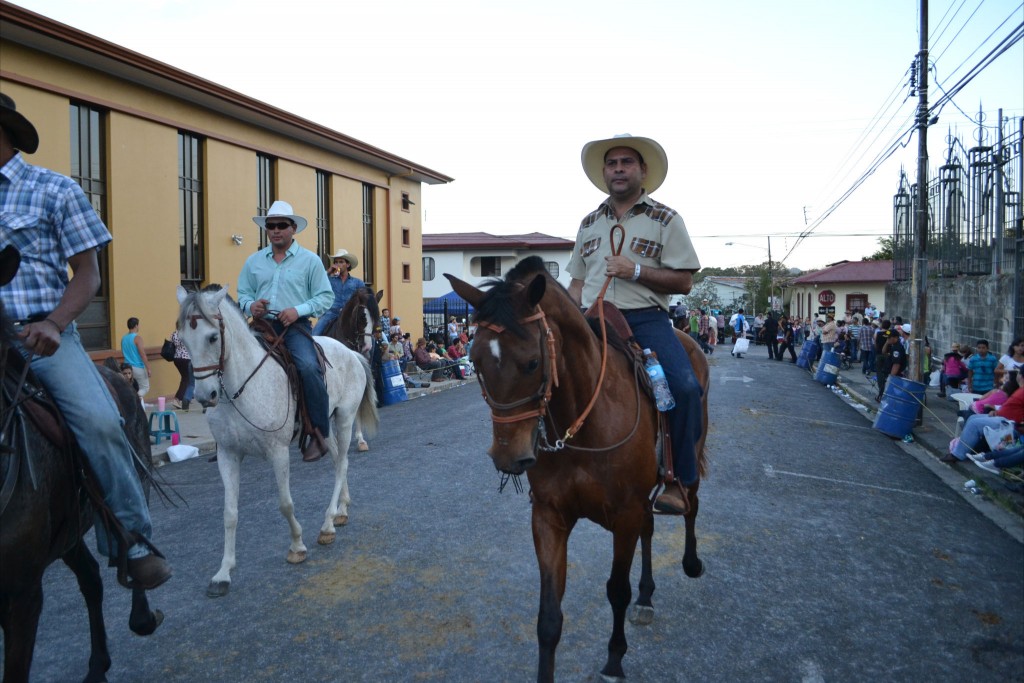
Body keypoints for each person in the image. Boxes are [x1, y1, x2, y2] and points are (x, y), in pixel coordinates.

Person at [0, 93, 171, 588]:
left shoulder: (54, 190)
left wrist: (54, 324)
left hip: (39, 336)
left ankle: (133, 539)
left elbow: (88, 274)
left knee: (98, 421)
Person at [567, 134, 702, 515]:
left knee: (685, 387)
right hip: (592, 319)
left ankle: (679, 481)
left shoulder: (665, 219)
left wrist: (635, 270)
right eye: (612, 163)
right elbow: (577, 280)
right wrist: (568, 309)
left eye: (627, 162)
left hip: (645, 320)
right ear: (604, 173)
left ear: (643, 171)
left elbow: (684, 281)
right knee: (546, 373)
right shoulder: (589, 222)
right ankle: (550, 464)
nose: (619, 169)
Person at [238, 200, 333, 461]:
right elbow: (243, 294)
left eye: (281, 225)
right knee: (230, 361)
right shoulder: (254, 261)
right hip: (261, 324)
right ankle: (233, 428)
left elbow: (325, 297)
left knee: (307, 367)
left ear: (293, 228)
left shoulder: (310, 261)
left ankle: (318, 432)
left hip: (295, 326)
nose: (275, 230)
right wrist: (251, 305)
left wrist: (298, 310)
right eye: (271, 226)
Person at [944, 382, 1023, 464]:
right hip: (1003, 417)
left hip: (1010, 423)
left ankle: (957, 455)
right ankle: (962, 447)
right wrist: (997, 411)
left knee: (974, 423)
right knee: (972, 418)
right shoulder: (1020, 390)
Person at [312, 248, 363, 335]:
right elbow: (316, 282)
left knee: (369, 336)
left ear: (347, 264)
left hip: (350, 314)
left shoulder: (358, 282)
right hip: (331, 313)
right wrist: (328, 271)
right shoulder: (329, 280)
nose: (338, 264)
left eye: (341, 262)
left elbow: (363, 300)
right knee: (315, 334)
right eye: (336, 262)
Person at [120, 317, 152, 400]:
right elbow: (142, 354)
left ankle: (136, 402)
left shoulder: (123, 339)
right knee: (145, 388)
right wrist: (148, 368)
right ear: (136, 325)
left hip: (127, 367)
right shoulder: (137, 338)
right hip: (138, 367)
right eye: (138, 325)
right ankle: (135, 400)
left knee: (131, 387)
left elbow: (124, 353)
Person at [170, 328, 194, 410]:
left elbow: (173, 344)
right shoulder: (186, 333)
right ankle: (177, 399)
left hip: (177, 358)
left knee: (185, 378)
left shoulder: (174, 334)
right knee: (186, 380)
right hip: (186, 358)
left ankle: (187, 396)